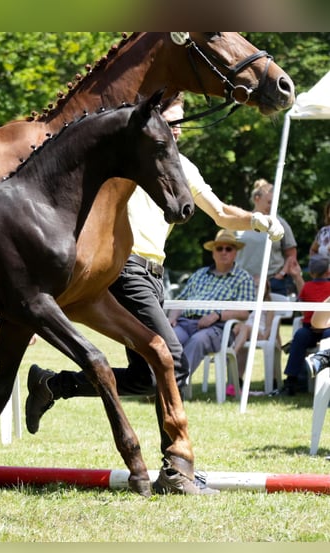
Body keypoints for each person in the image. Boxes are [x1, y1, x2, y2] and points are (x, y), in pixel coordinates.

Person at [24, 92, 284, 495]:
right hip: (125, 270)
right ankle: (176, 471)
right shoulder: (127, 160)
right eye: (170, 120)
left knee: (149, 376)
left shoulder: (183, 168)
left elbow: (219, 212)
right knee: (172, 358)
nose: (176, 128)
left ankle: (54, 385)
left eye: (181, 122)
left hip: (155, 275)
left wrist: (257, 220)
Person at [167, 229, 255, 382]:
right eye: (219, 248)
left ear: (235, 253)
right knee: (169, 339)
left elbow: (244, 312)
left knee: (197, 341)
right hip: (186, 322)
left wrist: (216, 315)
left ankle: (173, 386)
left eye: (229, 248)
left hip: (218, 328)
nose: (224, 252)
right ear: (213, 252)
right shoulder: (199, 274)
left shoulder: (243, 277)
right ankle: (155, 383)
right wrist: (172, 318)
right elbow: (181, 300)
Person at [235, 179, 301, 297]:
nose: (272, 206)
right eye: (269, 202)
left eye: (274, 202)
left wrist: (281, 274)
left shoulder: (280, 223)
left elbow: (291, 255)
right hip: (243, 283)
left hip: (273, 283)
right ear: (257, 199)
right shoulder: (241, 222)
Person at [281, 255, 330, 395]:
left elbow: (303, 309)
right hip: (327, 328)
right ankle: (324, 373)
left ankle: (291, 380)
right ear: (328, 272)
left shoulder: (307, 287)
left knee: (299, 336)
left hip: (310, 329)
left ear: (312, 273)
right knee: (328, 339)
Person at [230, 277, 275, 396]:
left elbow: (270, 325)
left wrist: (266, 336)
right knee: (238, 327)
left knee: (244, 327)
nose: (257, 289)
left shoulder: (268, 304)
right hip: (245, 332)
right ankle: (236, 380)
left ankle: (232, 352)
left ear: (267, 288)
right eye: (255, 286)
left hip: (259, 332)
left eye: (261, 286)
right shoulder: (246, 303)